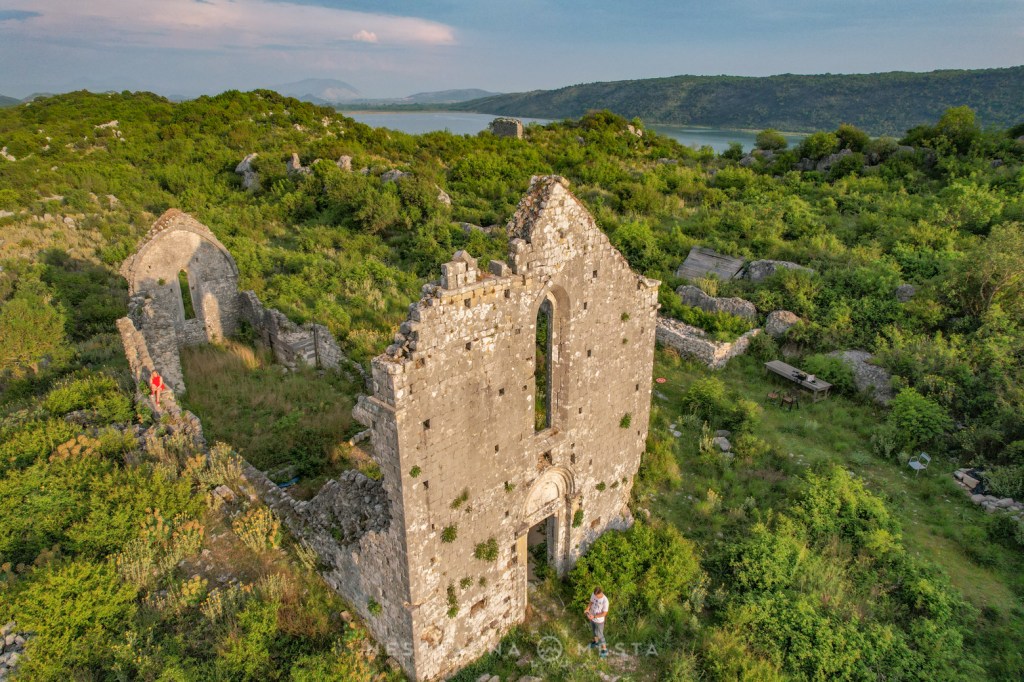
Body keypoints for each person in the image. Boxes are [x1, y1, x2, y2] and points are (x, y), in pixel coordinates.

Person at [584, 587, 609, 657]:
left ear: (601, 593)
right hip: (592, 617)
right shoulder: (594, 594)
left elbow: (604, 613)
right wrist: (587, 609)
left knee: (600, 635)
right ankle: (596, 642)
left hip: (599, 621)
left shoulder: (605, 601)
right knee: (594, 631)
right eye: (595, 596)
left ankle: (605, 650)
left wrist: (594, 616)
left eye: (597, 596)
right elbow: (591, 602)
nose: (596, 597)